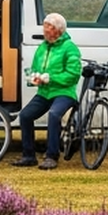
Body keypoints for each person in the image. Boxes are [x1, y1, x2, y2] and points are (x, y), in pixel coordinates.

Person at [13, 12, 81, 169]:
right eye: (44, 26)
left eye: (48, 27)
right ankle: (28, 155)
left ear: (58, 30)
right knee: (25, 115)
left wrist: (50, 78)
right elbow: (35, 68)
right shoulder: (42, 47)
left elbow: (73, 75)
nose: (44, 30)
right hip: (44, 92)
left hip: (64, 92)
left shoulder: (70, 48)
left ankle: (52, 156)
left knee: (54, 114)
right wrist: (34, 77)